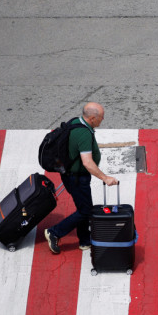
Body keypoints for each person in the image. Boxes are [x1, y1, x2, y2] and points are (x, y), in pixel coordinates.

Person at [44, 102, 118, 254]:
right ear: (92, 118)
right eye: (101, 118)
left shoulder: (76, 122)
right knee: (85, 211)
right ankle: (55, 232)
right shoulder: (83, 133)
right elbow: (88, 162)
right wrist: (105, 178)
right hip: (77, 178)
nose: (102, 120)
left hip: (71, 176)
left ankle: (84, 241)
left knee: (83, 208)